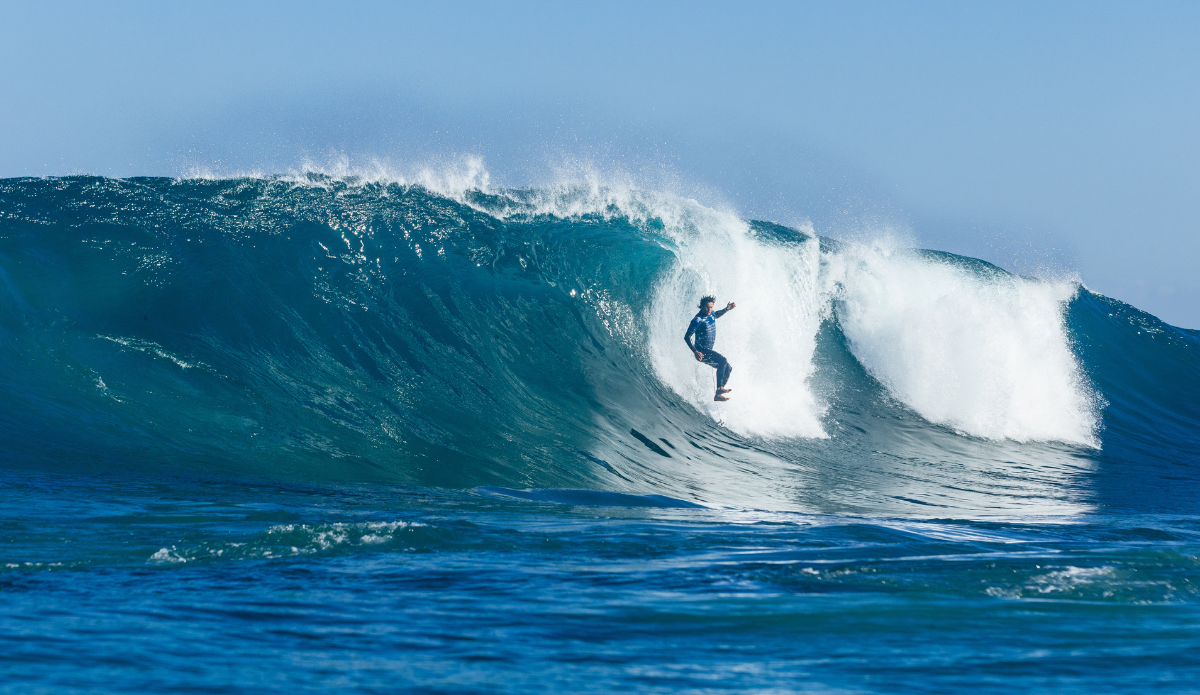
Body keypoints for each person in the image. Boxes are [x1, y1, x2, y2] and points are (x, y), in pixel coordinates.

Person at [684, 295, 736, 401]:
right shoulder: (697, 320)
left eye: (711, 307)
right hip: (702, 352)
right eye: (707, 307)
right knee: (723, 361)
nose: (709, 309)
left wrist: (726, 309)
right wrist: (695, 351)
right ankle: (719, 388)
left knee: (728, 368)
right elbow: (686, 337)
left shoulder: (711, 313)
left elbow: (716, 314)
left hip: (709, 351)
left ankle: (718, 394)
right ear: (702, 307)